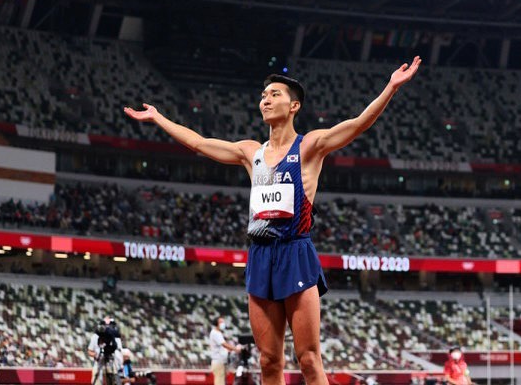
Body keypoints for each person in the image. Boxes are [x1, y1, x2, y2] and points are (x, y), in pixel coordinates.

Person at [124, 56, 422, 384]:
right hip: (261, 255)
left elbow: (358, 123)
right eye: (263, 94)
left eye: (274, 94)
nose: (265, 98)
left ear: (294, 106)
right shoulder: (251, 152)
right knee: (268, 360)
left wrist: (390, 88)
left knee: (308, 358)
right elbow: (199, 143)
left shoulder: (309, 146)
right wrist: (158, 117)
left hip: (295, 252)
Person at [87, 316, 123, 385]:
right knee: (96, 373)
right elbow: (89, 351)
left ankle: (114, 380)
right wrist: (96, 355)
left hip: (112, 359)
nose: (108, 327)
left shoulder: (115, 336)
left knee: (113, 373)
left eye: (110, 325)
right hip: (99, 359)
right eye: (106, 325)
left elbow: (118, 350)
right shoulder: (95, 336)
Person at [208, 316, 242, 385]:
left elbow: (221, 348)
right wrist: (236, 349)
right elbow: (224, 344)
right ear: (216, 323)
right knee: (219, 382)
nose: (223, 323)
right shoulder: (215, 333)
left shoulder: (218, 333)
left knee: (222, 381)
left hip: (221, 362)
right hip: (218, 362)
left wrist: (229, 351)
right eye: (221, 322)